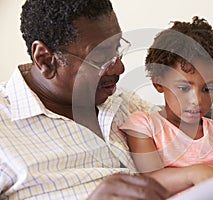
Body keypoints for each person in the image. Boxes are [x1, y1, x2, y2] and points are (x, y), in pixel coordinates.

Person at [0, 0, 174, 199]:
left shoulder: (125, 103)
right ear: (45, 60)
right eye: (100, 58)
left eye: (116, 50)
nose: (119, 69)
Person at [120, 16, 213, 195]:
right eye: (183, 88)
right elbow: (150, 181)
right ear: (158, 83)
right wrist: (196, 173)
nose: (197, 100)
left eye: (207, 89)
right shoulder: (144, 125)